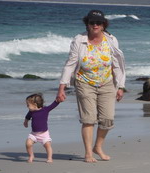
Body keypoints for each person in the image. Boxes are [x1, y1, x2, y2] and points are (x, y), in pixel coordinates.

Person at [56, 9, 125, 162]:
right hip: (84, 82)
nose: (95, 25)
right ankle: (88, 153)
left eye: (98, 22)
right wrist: (62, 87)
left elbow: (117, 65)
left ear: (103, 25)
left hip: (107, 83)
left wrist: (120, 86)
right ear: (87, 23)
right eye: (92, 22)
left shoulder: (111, 40)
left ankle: (98, 147)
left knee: (107, 119)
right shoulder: (79, 40)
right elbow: (70, 64)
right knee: (88, 119)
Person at [23, 93, 60, 163]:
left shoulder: (45, 110)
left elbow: (52, 106)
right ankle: (31, 155)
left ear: (35, 104)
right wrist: (25, 122)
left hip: (44, 134)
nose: (27, 106)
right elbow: (27, 117)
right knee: (28, 144)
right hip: (34, 134)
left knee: (47, 145)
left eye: (28, 105)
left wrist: (57, 101)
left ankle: (49, 158)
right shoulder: (31, 112)